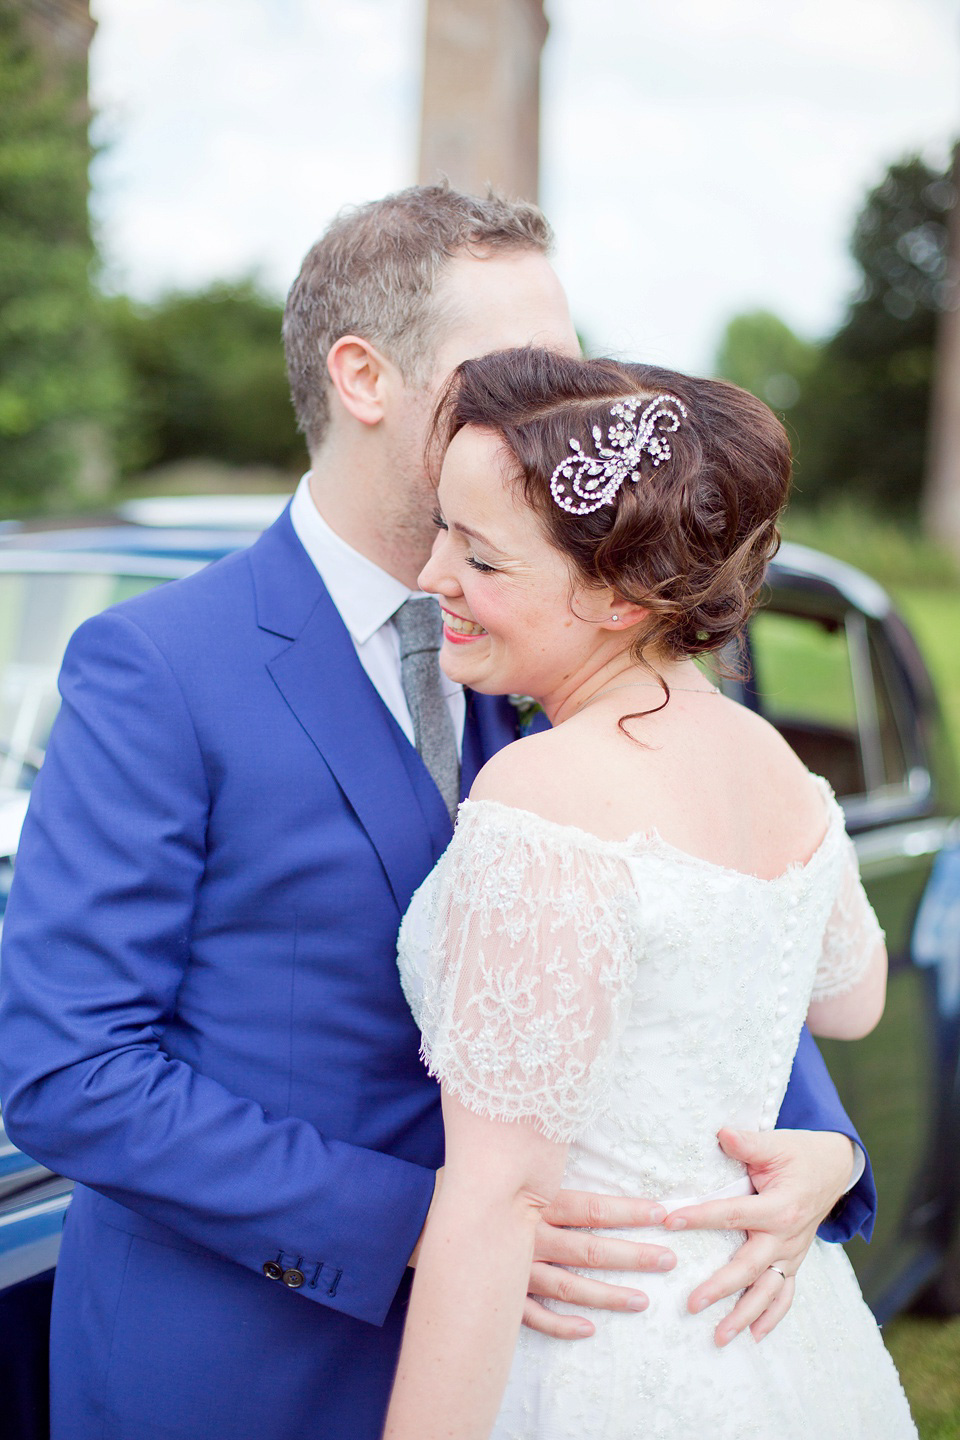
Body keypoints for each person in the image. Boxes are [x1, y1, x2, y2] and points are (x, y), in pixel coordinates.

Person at [0, 188, 872, 1440]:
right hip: (248, 1364)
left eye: (564, 368)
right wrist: (437, 1222)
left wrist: (825, 1149)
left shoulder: (560, 636)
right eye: (515, 367)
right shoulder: (158, 667)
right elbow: (72, 1072)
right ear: (364, 377)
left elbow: (693, 919)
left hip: (560, 1366)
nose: (558, 406)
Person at [386, 347, 917, 1440]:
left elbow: (493, 1206)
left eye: (479, 556)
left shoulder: (543, 790)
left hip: (602, 1354)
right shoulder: (782, 768)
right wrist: (821, 1147)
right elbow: (848, 1002)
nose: (435, 575)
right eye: (442, 530)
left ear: (621, 596)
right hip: (779, 1338)